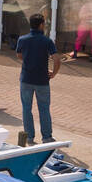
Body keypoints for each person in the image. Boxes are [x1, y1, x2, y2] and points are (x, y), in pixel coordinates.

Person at [15, 13, 60, 142]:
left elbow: (19, 54)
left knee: (26, 108)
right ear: (41, 25)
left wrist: (28, 60)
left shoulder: (22, 39)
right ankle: (46, 137)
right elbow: (57, 59)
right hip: (42, 80)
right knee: (44, 108)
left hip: (26, 79)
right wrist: (54, 73)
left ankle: (29, 136)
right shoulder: (47, 41)